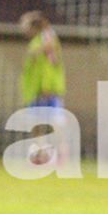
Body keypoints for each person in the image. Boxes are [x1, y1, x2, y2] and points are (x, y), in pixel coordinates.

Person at [18, 10, 66, 165]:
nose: (22, 28)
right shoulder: (40, 41)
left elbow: (48, 66)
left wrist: (46, 86)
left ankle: (58, 153)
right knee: (38, 123)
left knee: (53, 122)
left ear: (34, 26)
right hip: (35, 90)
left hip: (45, 90)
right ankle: (43, 152)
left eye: (24, 24)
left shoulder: (46, 41)